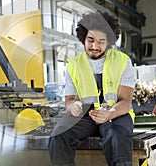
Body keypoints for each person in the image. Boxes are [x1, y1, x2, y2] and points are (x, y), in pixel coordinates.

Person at [48, 11, 136, 166]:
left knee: (116, 137)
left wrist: (110, 113)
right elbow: (69, 101)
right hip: (86, 116)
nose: (95, 46)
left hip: (116, 114)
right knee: (58, 136)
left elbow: (126, 101)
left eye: (101, 41)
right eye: (90, 40)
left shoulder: (123, 61)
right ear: (83, 38)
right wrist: (72, 106)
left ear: (109, 41)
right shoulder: (74, 65)